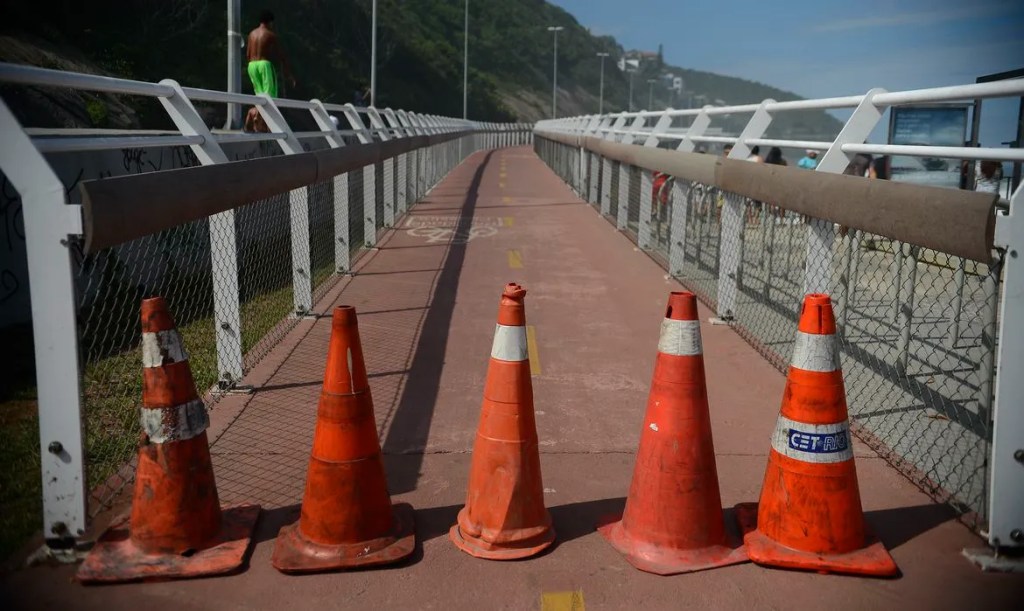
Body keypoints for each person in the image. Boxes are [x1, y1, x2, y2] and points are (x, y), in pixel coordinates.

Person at [245, 10, 296, 132]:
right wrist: (289, 75)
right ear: (270, 22)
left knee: (259, 96)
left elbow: (247, 54)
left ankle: (257, 118)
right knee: (269, 97)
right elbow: (281, 55)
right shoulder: (270, 34)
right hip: (264, 64)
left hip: (252, 65)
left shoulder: (252, 34)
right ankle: (256, 115)